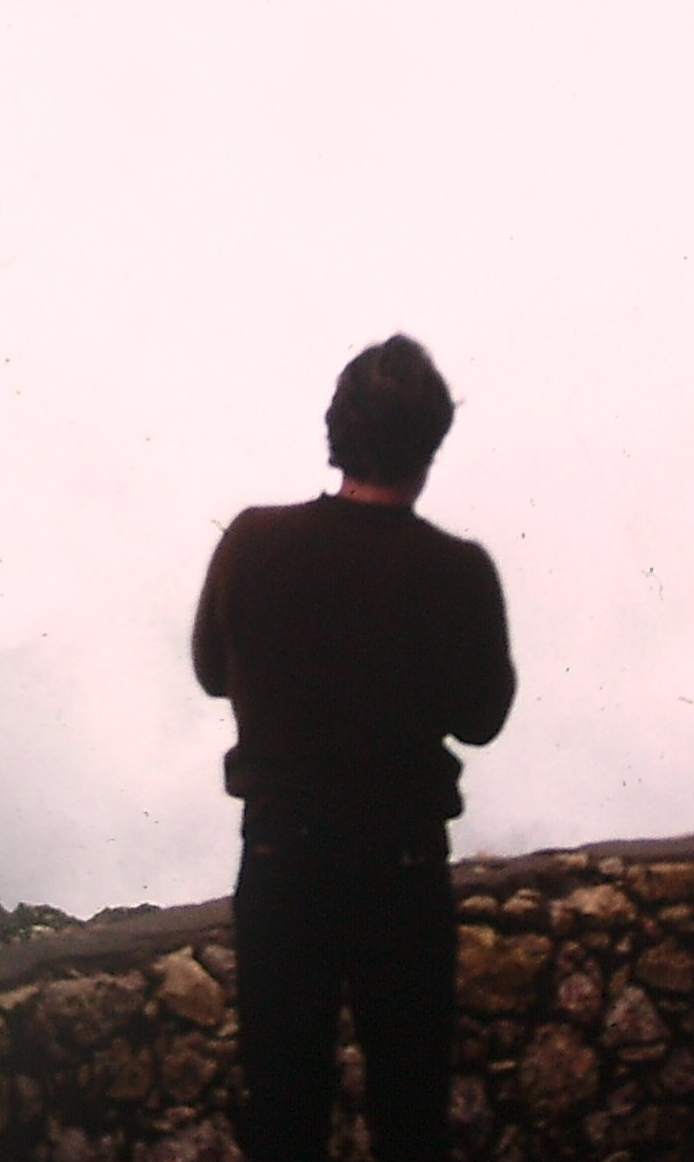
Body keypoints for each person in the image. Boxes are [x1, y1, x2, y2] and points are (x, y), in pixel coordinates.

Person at [191, 335, 515, 1162]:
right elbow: (482, 717)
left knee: (284, 1110)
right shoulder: (458, 573)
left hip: (281, 858)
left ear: (337, 429)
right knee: (410, 1115)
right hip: (401, 871)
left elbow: (209, 672)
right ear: (432, 441)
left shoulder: (253, 542)